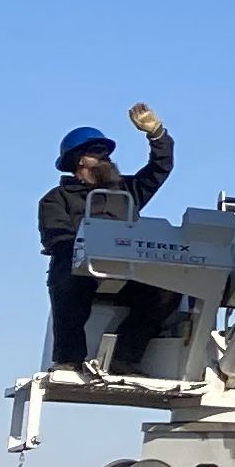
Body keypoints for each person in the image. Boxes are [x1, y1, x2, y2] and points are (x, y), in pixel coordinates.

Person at [40, 105, 177, 375]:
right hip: (81, 270)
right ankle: (69, 359)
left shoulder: (127, 191)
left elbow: (161, 167)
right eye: (97, 152)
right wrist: (89, 250)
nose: (105, 157)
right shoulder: (56, 198)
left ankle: (124, 358)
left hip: (129, 271)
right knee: (67, 280)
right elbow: (58, 237)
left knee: (166, 292)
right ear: (79, 160)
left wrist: (157, 135)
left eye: (106, 152)